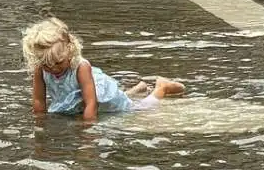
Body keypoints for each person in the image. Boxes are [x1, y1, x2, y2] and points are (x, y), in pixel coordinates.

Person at [24, 17, 184, 120]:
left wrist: (87, 129)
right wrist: (40, 123)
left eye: (58, 63)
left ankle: (161, 88)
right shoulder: (40, 69)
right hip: (81, 100)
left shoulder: (81, 67)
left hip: (96, 96)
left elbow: (91, 103)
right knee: (89, 105)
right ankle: (137, 90)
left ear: (70, 50)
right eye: (47, 65)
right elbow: (39, 100)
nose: (53, 69)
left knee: (135, 110)